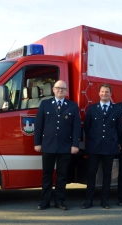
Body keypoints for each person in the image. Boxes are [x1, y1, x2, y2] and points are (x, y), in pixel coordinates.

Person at [33, 80, 81, 211]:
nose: (60, 90)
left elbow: (76, 127)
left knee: (62, 175)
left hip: (65, 147)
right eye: (58, 88)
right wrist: (37, 143)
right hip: (48, 145)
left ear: (66, 91)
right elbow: (39, 126)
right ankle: (45, 201)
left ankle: (60, 201)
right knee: (47, 175)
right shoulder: (45, 104)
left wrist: (75, 144)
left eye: (63, 89)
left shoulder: (72, 106)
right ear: (53, 90)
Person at [82, 83, 122, 209]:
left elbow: (119, 129)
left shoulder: (116, 110)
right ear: (99, 93)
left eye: (107, 92)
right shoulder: (92, 108)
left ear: (111, 94)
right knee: (91, 174)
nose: (105, 94)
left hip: (109, 146)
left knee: (107, 174)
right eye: (103, 92)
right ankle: (89, 200)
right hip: (94, 146)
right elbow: (87, 127)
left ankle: (104, 201)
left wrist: (115, 141)